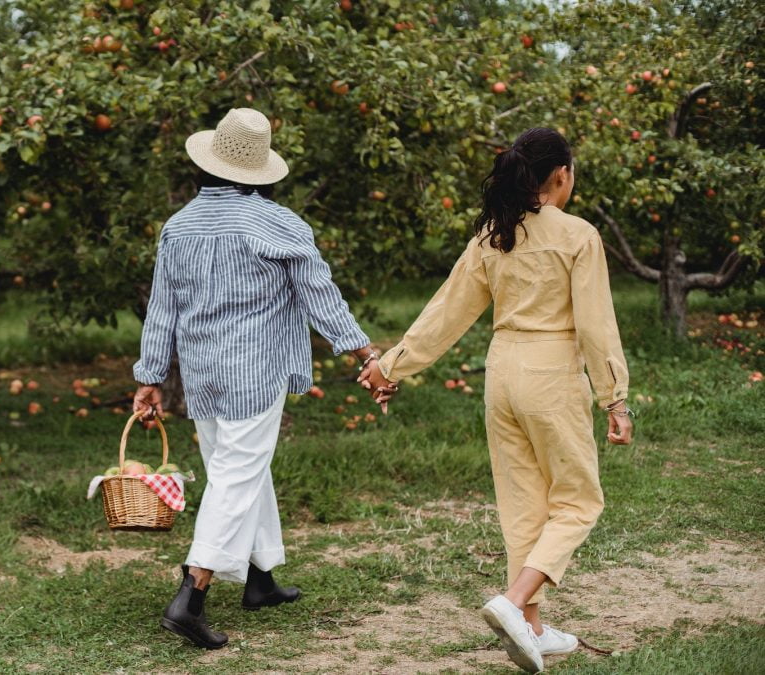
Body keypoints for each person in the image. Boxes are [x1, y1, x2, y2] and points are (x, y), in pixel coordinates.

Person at [359, 127, 633, 673]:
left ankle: (531, 627)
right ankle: (512, 603)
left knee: (523, 503)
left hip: (501, 369)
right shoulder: (578, 235)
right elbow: (598, 327)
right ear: (561, 176)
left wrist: (390, 365)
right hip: (552, 370)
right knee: (579, 500)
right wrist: (616, 400)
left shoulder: (493, 234)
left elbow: (447, 312)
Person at [132, 108, 383, 650]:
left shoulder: (179, 226)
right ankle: (191, 594)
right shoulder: (278, 224)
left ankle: (259, 578)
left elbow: (162, 311)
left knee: (241, 467)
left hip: (202, 376)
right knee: (237, 475)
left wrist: (150, 376)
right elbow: (320, 295)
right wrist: (362, 349)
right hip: (252, 373)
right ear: (258, 170)